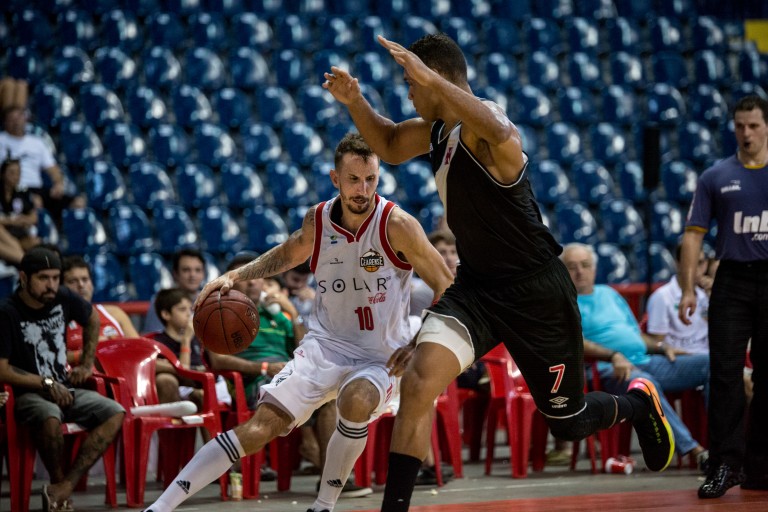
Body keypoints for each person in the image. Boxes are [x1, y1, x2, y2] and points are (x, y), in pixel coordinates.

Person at [323, 33, 675, 511]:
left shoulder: (484, 128)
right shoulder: (436, 132)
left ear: (436, 76)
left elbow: (503, 131)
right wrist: (354, 100)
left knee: (568, 422)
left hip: (536, 292)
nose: (408, 91)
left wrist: (433, 82)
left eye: (411, 81)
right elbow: (386, 143)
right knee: (419, 381)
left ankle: (637, 403)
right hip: (477, 290)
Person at [141, 133, 453, 512]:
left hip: (379, 356)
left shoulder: (397, 224)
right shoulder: (318, 220)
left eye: (371, 179)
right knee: (260, 428)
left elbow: (446, 284)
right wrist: (235, 276)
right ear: (335, 179)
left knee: (356, 402)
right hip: (324, 347)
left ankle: (322, 506)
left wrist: (418, 341)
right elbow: (287, 253)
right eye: (354, 179)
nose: (363, 189)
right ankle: (160, 507)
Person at [678, 94, 768, 499]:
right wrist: (687, 289)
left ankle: (760, 467)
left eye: (754, 125)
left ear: (766, 127)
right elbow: (692, 235)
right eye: (739, 126)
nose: (746, 133)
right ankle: (725, 465)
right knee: (725, 373)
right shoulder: (716, 176)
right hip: (731, 279)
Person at [561, 243, 710, 468]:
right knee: (646, 385)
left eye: (585, 265)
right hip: (606, 370)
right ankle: (695, 451)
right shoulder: (564, 302)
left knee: (711, 364)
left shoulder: (609, 293)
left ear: (594, 268)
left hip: (645, 360)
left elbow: (635, 335)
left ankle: (722, 446)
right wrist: (614, 355)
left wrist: (662, 347)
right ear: (563, 272)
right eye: (572, 267)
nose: (580, 271)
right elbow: (576, 343)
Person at [0, 246, 125, 510]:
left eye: (56, 278)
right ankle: (57, 483)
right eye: (43, 278)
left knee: (115, 412)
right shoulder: (7, 313)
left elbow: (92, 319)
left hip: (66, 388)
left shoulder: (63, 297)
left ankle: (65, 486)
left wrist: (87, 364)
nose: (51, 285)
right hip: (27, 394)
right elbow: (2, 369)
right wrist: (45, 383)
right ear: (23, 278)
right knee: (49, 417)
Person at [62, 255, 139, 366]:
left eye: (85, 279)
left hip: (123, 370)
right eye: (73, 281)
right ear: (61, 288)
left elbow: (139, 348)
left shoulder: (114, 313)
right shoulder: (55, 319)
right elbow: (49, 357)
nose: (81, 285)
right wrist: (89, 353)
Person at [0, 106, 72, 220]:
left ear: (25, 119)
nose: (16, 122)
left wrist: (58, 183)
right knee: (32, 202)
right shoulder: (1, 140)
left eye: (19, 118)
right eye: (12, 119)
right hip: (11, 188)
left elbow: (53, 168)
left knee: (76, 203)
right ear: (5, 122)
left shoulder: (37, 142)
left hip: (36, 188)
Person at [646, 244, 710, 355]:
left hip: (707, 355)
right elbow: (657, 343)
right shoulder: (661, 297)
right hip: (679, 358)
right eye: (691, 263)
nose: (696, 269)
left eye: (700, 263)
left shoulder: (707, 295)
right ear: (678, 264)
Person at [142, 248, 207, 334]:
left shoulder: (209, 300)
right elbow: (154, 336)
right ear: (175, 274)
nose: (192, 275)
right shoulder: (161, 301)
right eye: (186, 270)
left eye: (198, 270)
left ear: (203, 274)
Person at [0, 156, 40, 251]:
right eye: (12, 173)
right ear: (3, 174)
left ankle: (18, 253)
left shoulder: (22, 193)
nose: (16, 177)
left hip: (18, 232)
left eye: (18, 173)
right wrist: (10, 221)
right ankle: (18, 255)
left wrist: (24, 220)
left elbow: (34, 217)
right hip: (3, 234)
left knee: (35, 242)